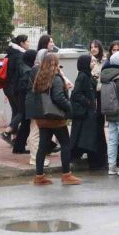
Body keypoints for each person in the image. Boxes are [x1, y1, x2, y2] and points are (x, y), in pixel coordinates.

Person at [31, 53, 80, 185]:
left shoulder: (39, 77)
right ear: (55, 64)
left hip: (42, 118)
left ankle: (39, 176)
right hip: (55, 118)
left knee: (42, 147)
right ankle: (66, 175)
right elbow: (59, 97)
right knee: (65, 144)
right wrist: (69, 108)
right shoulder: (56, 78)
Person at [70, 55, 106, 169]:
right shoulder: (82, 76)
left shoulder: (87, 75)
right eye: (91, 62)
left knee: (85, 138)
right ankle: (94, 163)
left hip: (88, 113)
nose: (93, 64)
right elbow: (76, 94)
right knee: (87, 138)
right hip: (86, 113)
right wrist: (89, 103)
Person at [0, 35, 29, 148]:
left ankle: (14, 137)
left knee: (16, 111)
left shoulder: (10, 53)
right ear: (21, 43)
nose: (29, 43)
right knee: (22, 111)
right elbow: (21, 72)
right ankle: (7, 132)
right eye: (27, 41)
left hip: (8, 88)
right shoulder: (20, 56)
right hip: (16, 88)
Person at [25, 49, 51, 167]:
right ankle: (34, 158)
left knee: (37, 131)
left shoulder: (38, 69)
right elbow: (43, 85)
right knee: (35, 131)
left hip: (35, 103)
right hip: (35, 104)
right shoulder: (36, 69)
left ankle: (36, 157)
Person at [11, 49, 38, 157]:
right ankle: (18, 147)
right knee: (26, 124)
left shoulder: (23, 67)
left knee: (25, 123)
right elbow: (24, 86)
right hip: (24, 100)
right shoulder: (27, 70)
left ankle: (18, 147)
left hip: (21, 99)